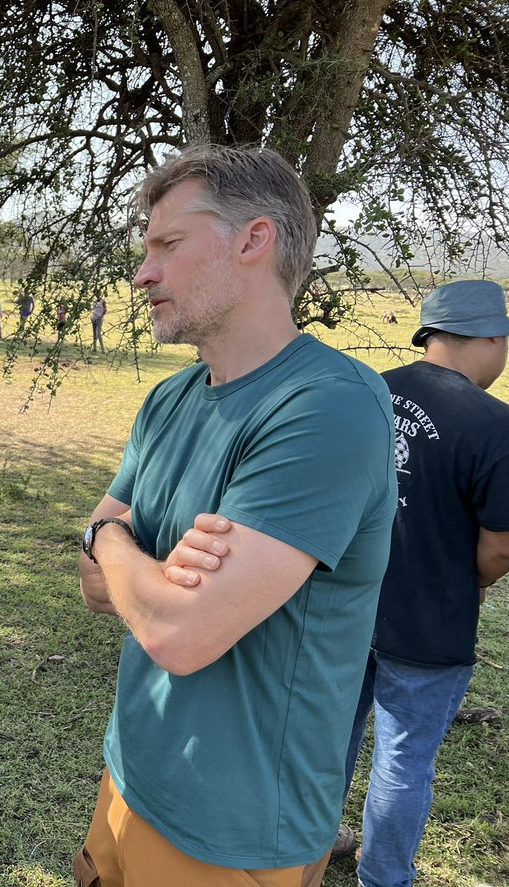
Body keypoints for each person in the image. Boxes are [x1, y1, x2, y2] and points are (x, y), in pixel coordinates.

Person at [74, 144, 396, 886]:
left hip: (237, 831)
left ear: (254, 240)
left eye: (168, 245)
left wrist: (111, 537)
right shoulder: (169, 400)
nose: (141, 272)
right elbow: (93, 586)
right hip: (129, 773)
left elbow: (180, 633)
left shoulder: (328, 407)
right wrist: (128, 555)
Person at [337, 279, 509, 887]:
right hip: (430, 621)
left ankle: (312, 841)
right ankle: (383, 876)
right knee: (403, 761)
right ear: (492, 335)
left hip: (346, 606)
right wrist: (473, 580)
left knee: (333, 734)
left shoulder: (368, 392)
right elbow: (500, 544)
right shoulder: (496, 424)